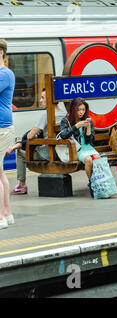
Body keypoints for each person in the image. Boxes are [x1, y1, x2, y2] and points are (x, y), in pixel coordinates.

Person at [11, 88, 67, 195]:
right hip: (62, 151)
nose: (40, 100)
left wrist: (34, 134)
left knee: (20, 153)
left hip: (47, 154)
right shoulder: (64, 114)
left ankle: (21, 185)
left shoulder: (47, 115)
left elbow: (30, 136)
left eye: (43, 98)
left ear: (50, 99)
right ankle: (15, 145)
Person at [59, 98, 99, 197]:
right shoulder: (66, 121)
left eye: (83, 110)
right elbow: (63, 135)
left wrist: (88, 129)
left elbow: (90, 141)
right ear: (73, 109)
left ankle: (99, 182)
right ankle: (92, 183)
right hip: (77, 149)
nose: (81, 112)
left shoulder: (87, 119)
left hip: (87, 147)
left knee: (97, 158)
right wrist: (76, 126)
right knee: (89, 160)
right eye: (79, 109)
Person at [0, 39, 15, 229]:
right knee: (0, 172)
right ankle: (7, 213)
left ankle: (1, 218)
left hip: (2, 128)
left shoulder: (5, 73)